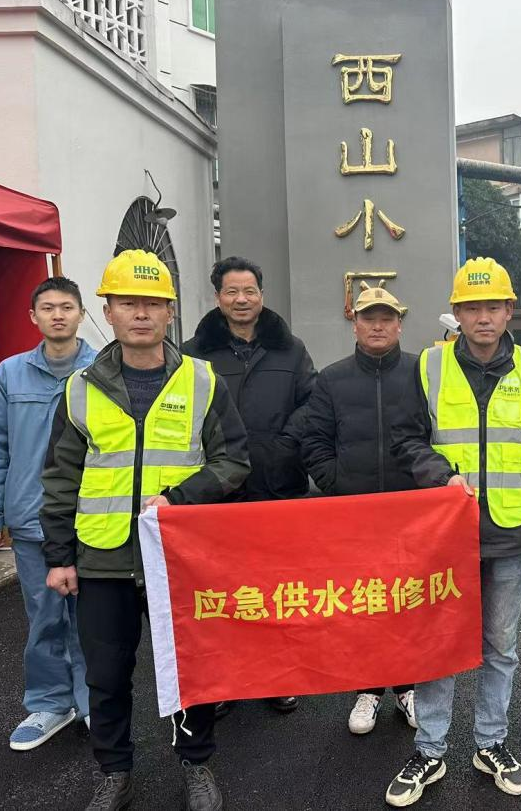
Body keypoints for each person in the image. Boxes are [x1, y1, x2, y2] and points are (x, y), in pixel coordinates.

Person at [40, 250, 250, 811]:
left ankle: (196, 765)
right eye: (128, 303)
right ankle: (114, 773)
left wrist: (180, 498)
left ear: (169, 312)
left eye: (152, 303)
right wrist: (59, 557)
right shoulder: (80, 388)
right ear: (107, 311)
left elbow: (233, 461)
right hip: (102, 558)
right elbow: (60, 478)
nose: (140, 313)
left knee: (190, 671)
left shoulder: (201, 381)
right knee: (107, 676)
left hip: (178, 559)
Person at [384, 257, 521, 807]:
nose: (483, 317)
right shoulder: (429, 366)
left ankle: (491, 743)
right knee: (439, 643)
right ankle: (430, 748)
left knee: (500, 647)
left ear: (510, 310)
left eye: (493, 307)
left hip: (511, 531)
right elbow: (406, 439)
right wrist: (440, 473)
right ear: (456, 314)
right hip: (445, 533)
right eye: (471, 308)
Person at [182, 255, 316, 717]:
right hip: (216, 493)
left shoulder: (291, 349)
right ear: (218, 297)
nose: (242, 299)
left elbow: (311, 403)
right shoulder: (193, 353)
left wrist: (284, 445)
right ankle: (225, 680)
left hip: (277, 487)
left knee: (277, 589)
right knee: (222, 593)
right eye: (232, 292)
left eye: (250, 291)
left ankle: (277, 677)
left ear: (262, 294)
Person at [0, 277, 97, 751]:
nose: (57, 315)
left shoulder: (103, 370)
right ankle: (50, 703)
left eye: (66, 306)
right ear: (33, 316)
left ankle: (93, 702)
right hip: (30, 517)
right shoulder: (10, 374)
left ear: (81, 314)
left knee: (93, 618)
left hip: (92, 515)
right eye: (48, 307)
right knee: (44, 616)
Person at [296, 282, 420, 735]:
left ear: (399, 324)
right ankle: (367, 690)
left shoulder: (422, 372)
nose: (378, 326)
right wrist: (340, 485)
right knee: (364, 604)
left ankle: (407, 687)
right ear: (355, 324)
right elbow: (314, 442)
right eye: (369, 318)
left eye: (387, 318)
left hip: (412, 515)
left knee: (407, 603)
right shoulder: (332, 379)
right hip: (355, 517)